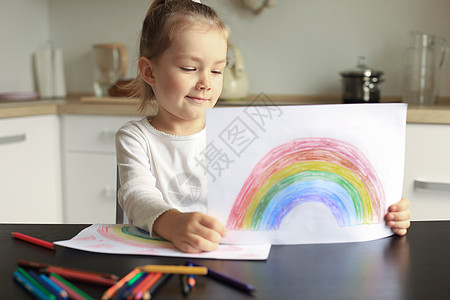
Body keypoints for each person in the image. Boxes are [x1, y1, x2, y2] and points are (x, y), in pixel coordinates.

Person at [116, 0, 411, 253]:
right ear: (148, 71)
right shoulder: (136, 137)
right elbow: (136, 195)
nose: (206, 82)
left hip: (227, 260)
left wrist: (386, 210)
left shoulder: (238, 133)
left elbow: (288, 190)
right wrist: (173, 222)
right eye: (190, 68)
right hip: (157, 263)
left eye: (218, 70)